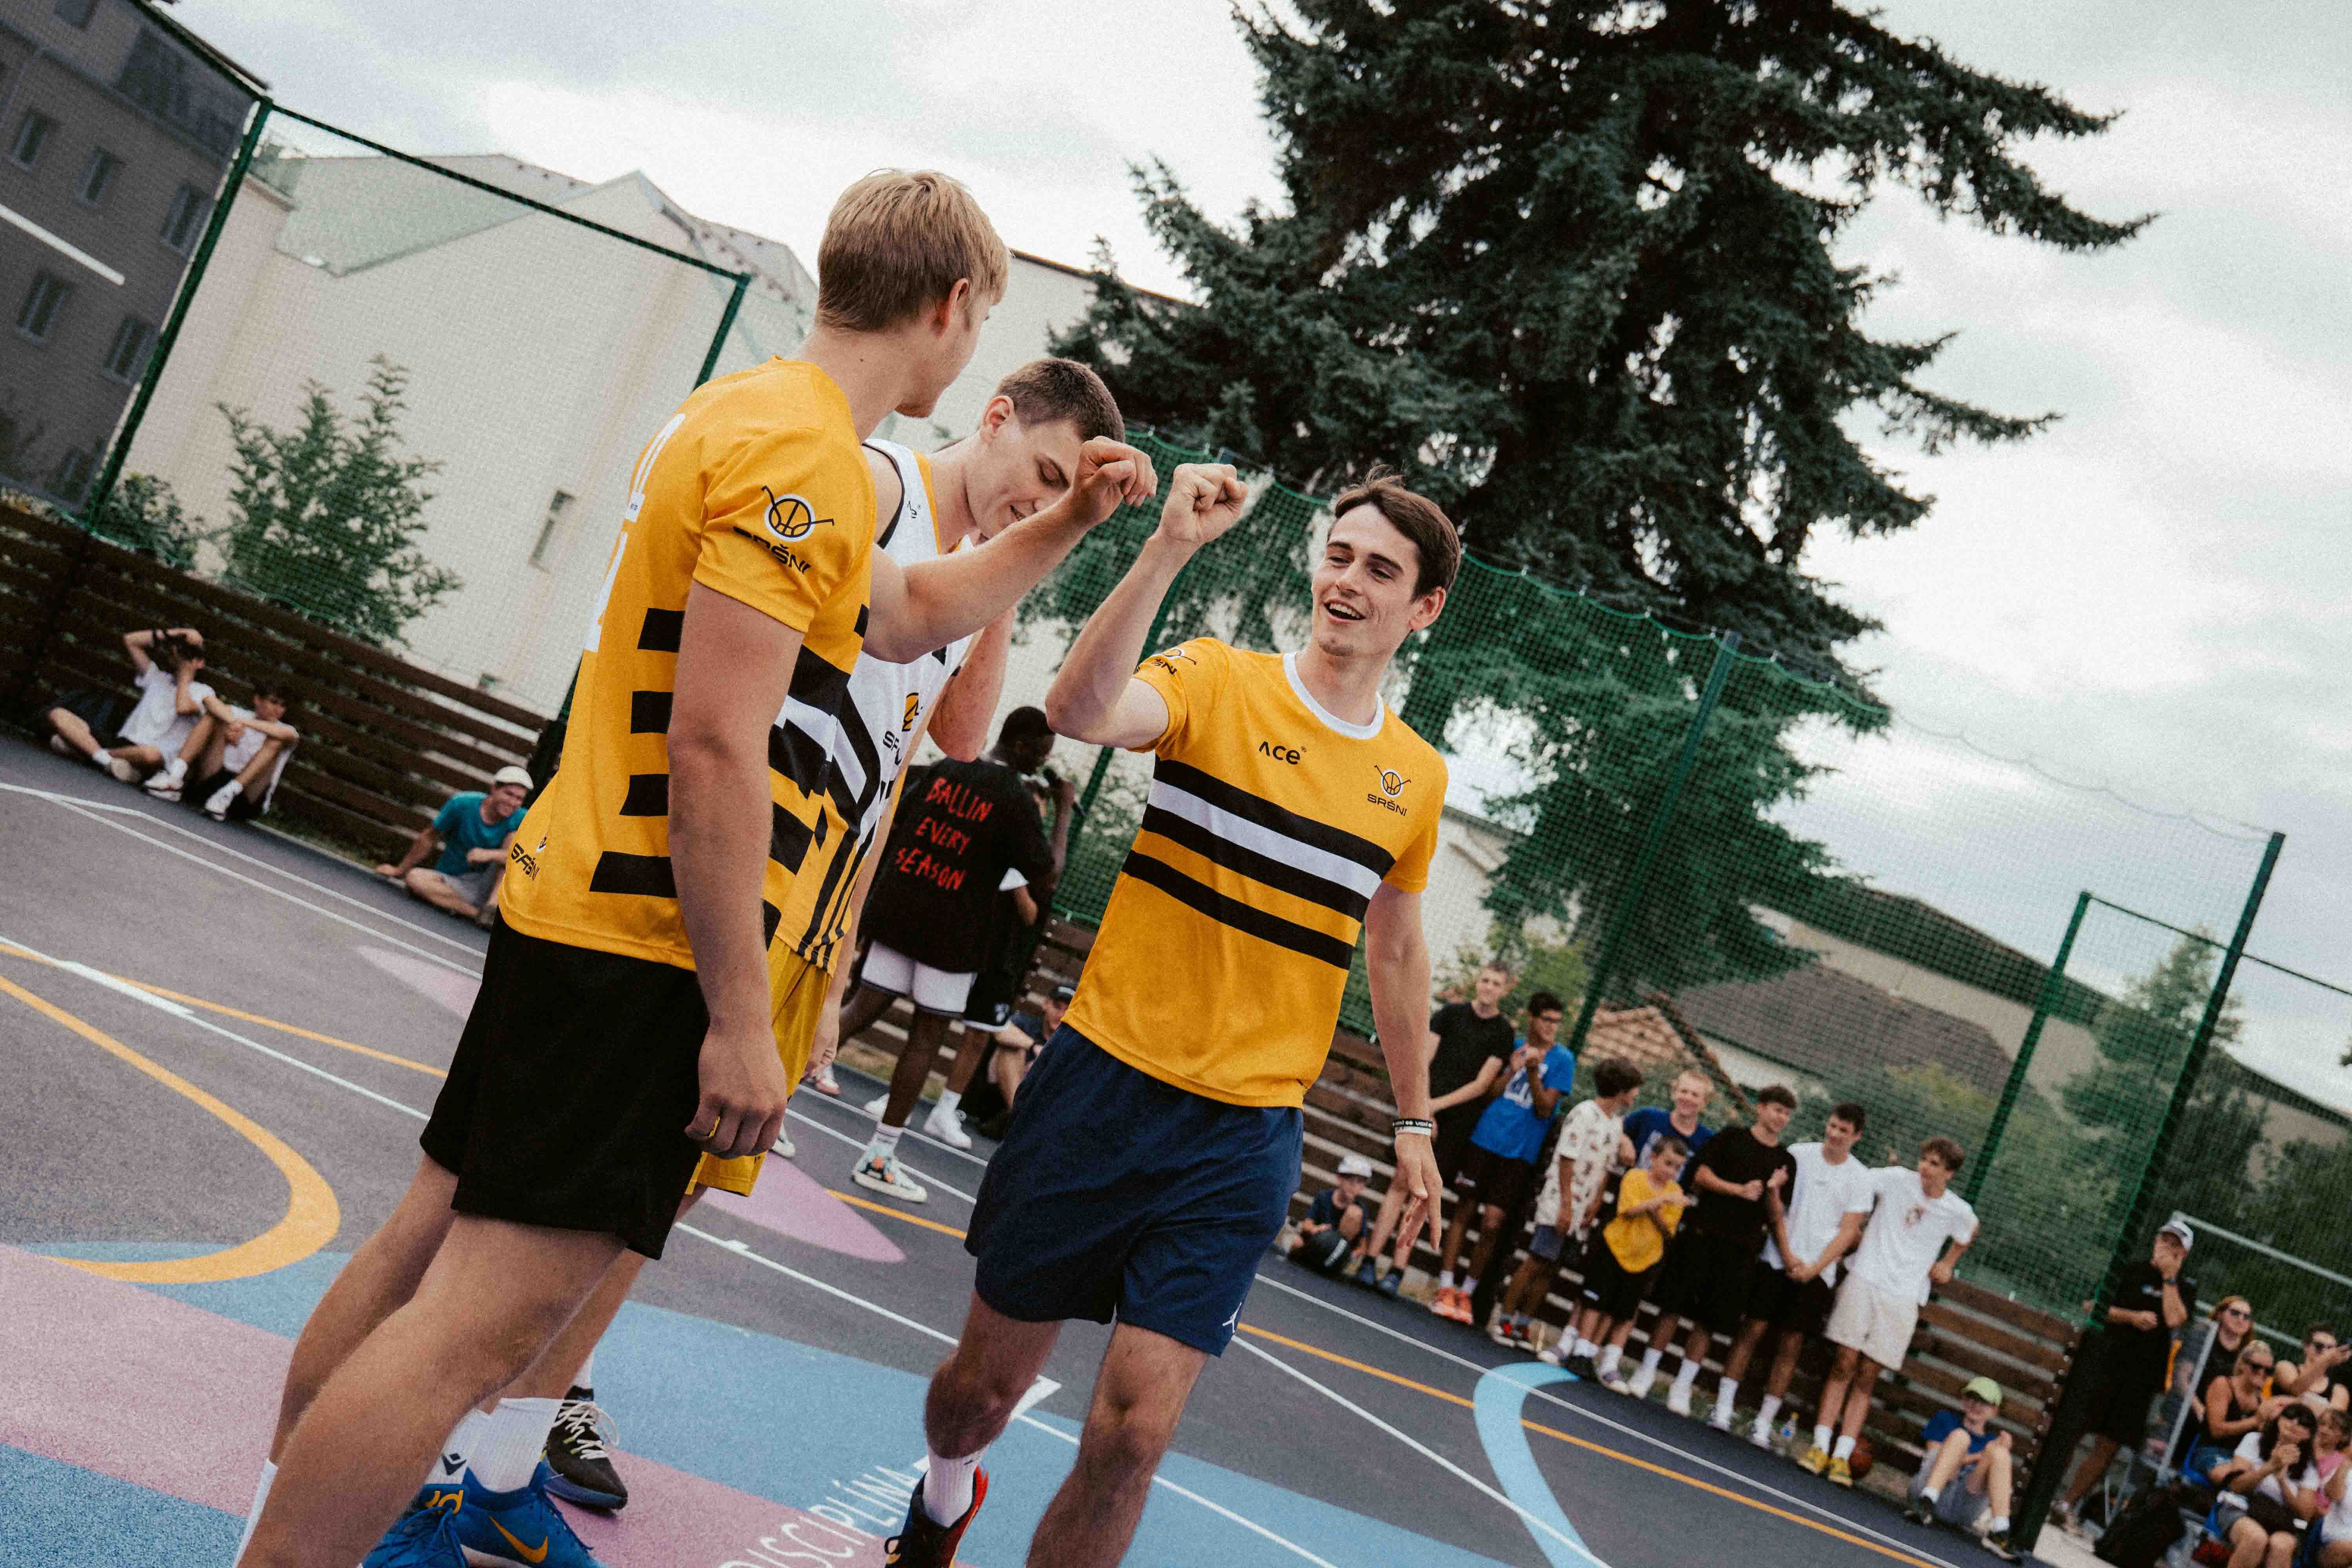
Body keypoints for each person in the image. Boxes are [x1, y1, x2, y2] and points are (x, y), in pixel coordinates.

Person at [237, 169, 1158, 1568]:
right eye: (981, 321)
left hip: (589, 898)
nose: (973, 346)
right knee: (469, 1330)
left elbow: (909, 612)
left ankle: (269, 1516)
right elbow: (719, 743)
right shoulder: (806, 454)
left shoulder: (763, 417)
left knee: (430, 1256)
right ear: (949, 304)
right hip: (648, 932)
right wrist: (738, 1014)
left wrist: (1066, 525)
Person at [881, 463, 1460, 1568]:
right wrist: (1168, 549)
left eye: (1381, 571)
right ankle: (944, 1495)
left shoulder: (1414, 779)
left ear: (1423, 607)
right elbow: (1077, 712)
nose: (1347, 581)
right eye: (1339, 556)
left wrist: (1415, 1119)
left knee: (1133, 1436)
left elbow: (1394, 946)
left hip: (1241, 1136)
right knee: (979, 1394)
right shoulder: (1214, 678)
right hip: (1100, 1087)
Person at [834, 706, 1064, 1200]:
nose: (1045, 761)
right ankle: (879, 1155)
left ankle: (775, 1103)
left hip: (901, 909)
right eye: (1043, 751)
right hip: (953, 936)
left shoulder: (948, 766)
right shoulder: (1014, 797)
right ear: (1022, 745)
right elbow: (1047, 876)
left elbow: (900, 818)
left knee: (856, 1012)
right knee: (926, 1038)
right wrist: (1063, 812)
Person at [1801, 1135, 1978, 1488]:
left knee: (1867, 1375)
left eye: (1935, 1164)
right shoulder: (1896, 1179)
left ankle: (1842, 1456)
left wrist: (1948, 1263)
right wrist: (1853, 1228)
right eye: (1924, 1160)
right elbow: (1859, 1183)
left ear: (1950, 1174)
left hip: (1903, 1297)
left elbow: (1970, 1231)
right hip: (1864, 1279)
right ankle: (1820, 1446)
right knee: (1844, 1364)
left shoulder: (1956, 1209)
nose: (1925, 1168)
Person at [1626, 1085, 1798, 1416]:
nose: (1781, 1118)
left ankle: (1682, 1386)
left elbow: (1777, 1215)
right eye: (1777, 1110)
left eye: (1787, 1114)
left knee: (1709, 1321)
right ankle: (1647, 1371)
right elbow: (1701, 1176)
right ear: (1761, 1108)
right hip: (1702, 1235)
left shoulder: (1785, 1161)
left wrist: (1774, 1191)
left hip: (1742, 1250)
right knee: (1672, 1307)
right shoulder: (1731, 1137)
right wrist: (1738, 1190)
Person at [1350, 960, 1517, 1295]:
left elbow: (1482, 1085)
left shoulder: (1503, 1033)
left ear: (1506, 990)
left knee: (1424, 1192)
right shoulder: (1450, 1015)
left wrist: (1436, 1109)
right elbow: (1422, 1061)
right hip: (1422, 1107)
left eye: (1496, 983)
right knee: (1401, 1181)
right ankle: (1370, 1260)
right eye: (1485, 980)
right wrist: (1424, 1109)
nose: (1488, 987)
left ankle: (1397, 1270)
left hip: (1456, 1122)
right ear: (1477, 982)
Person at [1724, 1102, 1876, 1447]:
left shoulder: (1860, 1178)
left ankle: (1763, 1423)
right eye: (1833, 1126)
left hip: (1816, 1275)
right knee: (1753, 1329)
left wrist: (1814, 1269)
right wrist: (1788, 1255)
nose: (1835, 1134)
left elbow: (1848, 1233)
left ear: (1857, 1137)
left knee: (1791, 1345)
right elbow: (1776, 1206)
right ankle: (1723, 1407)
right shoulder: (1797, 1154)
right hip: (1776, 1259)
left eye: (1844, 1131)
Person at [1430, 992, 1574, 1325]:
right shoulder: (1515, 1044)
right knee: (1464, 1210)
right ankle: (1446, 1287)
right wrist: (1513, 1069)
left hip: (1519, 1153)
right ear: (1532, 1019)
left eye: (1557, 1022)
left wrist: (1534, 1072)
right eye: (1546, 1020)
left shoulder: (1564, 1060)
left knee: (1492, 1224)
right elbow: (1491, 1092)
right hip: (1485, 1140)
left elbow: (1545, 1109)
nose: (1551, 1027)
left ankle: (1467, 1293)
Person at [2051, 1220, 2197, 1528]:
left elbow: (2175, 1319)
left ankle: (2067, 1505)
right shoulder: (2130, 1271)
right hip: (2104, 1365)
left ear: (2183, 1254)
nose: (2166, 1248)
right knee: (2074, 1429)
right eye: (2163, 1240)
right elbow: (2091, 1305)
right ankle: (2045, 1494)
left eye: (2174, 1245)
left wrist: (2169, 1279)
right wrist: (2131, 1317)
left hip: (2141, 1380)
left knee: (2109, 1444)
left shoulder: (2184, 1288)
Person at [1505, 1058, 1644, 1359]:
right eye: (1633, 1090)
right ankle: (1504, 1321)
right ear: (1621, 1090)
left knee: (1552, 1267)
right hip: (1560, 1202)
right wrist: (1566, 1206)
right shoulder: (1583, 1113)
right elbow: (1566, 1160)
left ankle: (1523, 1326)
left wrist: (1596, 1201)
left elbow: (1606, 1167)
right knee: (1536, 1261)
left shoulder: (1616, 1123)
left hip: (1582, 1211)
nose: (1636, 1095)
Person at [44, 624, 212, 784]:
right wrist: (176, 634)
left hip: (147, 754)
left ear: (201, 663)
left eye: (191, 656)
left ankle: (86, 751)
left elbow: (183, 707)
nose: (184, 659)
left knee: (150, 755)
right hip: (121, 743)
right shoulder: (157, 678)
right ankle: (106, 761)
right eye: (181, 653)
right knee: (58, 714)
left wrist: (185, 675)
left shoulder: (204, 692)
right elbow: (130, 641)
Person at [1589, 1139, 1692, 1393]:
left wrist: (1655, 1207)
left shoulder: (1676, 1193)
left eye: (1677, 1168)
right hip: (1616, 1248)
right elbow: (1629, 1210)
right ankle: (1585, 1351)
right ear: (1654, 1158)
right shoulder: (1635, 1177)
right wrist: (1660, 1202)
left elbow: (1668, 1231)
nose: (1671, 1171)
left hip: (1646, 1258)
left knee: (1625, 1311)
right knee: (1598, 1302)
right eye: (1668, 1163)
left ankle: (1609, 1364)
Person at [374, 770, 533, 926]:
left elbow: (530, 860)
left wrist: (490, 855)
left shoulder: (523, 818)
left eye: (519, 799)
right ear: (494, 789)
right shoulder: (462, 804)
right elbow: (430, 837)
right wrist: (400, 871)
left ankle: (492, 907)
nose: (513, 803)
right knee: (414, 878)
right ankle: (478, 914)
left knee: (514, 843)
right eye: (509, 794)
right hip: (454, 883)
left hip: (491, 886)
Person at [1901, 1376, 2023, 1561]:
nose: (1976, 1405)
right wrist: (1981, 1455)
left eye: (1984, 1402)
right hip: (1929, 1488)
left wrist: (1997, 1451)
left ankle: (2000, 1532)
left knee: (2001, 1455)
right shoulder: (1945, 1420)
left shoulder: (1992, 1444)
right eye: (1972, 1398)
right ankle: (1926, 1503)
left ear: (1994, 1411)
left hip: (1962, 1508)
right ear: (1964, 1400)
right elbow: (1933, 1458)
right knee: (1960, 1437)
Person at [2211, 1404, 2321, 1568]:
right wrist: (2270, 1467)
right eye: (2290, 1416)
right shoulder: (2254, 1440)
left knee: (2281, 1546)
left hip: (2282, 1521)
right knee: (2255, 1538)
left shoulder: (2310, 1467)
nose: (2295, 1423)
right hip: (2242, 1507)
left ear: (2309, 1435)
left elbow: (2304, 1515)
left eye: (2304, 1423)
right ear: (2279, 1420)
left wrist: (2282, 1482)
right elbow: (2236, 1486)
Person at [181, 682, 301, 820]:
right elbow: (209, 701)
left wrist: (241, 724)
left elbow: (288, 735)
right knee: (217, 717)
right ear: (257, 700)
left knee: (277, 741)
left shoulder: (286, 729)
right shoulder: (239, 714)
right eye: (273, 702)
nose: (278, 709)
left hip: (246, 796)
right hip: (213, 781)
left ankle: (229, 793)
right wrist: (232, 722)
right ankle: (175, 775)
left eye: (283, 706)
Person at [2181, 1344, 2286, 1488]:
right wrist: (2256, 1421)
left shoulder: (2262, 1401)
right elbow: (2216, 1430)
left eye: (2268, 1370)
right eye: (2256, 1367)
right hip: (2210, 1451)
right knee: (2236, 1481)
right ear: (2243, 1365)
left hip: (2242, 1458)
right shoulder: (2223, 1385)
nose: (2262, 1373)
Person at [1291, 1154, 1377, 1273]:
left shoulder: (1360, 1210)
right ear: (1339, 1179)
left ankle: (1334, 1262)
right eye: (1350, 1180)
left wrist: (1348, 1256)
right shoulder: (1324, 1197)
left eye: (1360, 1182)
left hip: (1339, 1250)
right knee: (1296, 1242)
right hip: (1317, 1243)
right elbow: (1307, 1225)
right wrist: (1317, 1229)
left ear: (1363, 1187)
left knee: (1355, 1213)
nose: (1354, 1186)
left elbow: (1362, 1248)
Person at [2276, 1324, 2352, 1414]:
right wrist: (2326, 1361)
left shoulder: (2339, 1390)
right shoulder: (2285, 1367)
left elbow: (2332, 1419)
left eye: (2330, 1349)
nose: (2325, 1352)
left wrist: (2296, 1401)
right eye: (2319, 1346)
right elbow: (2296, 1390)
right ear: (2306, 1347)